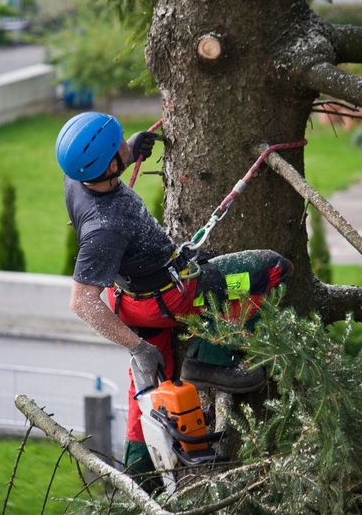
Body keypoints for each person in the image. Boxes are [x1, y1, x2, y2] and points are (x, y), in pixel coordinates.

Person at [55, 111, 294, 483]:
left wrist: (130, 152)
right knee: (269, 269)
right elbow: (81, 301)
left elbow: (102, 167)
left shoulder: (75, 178)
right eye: (118, 145)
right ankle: (211, 359)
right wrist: (136, 347)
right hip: (173, 299)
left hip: (132, 303)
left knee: (148, 391)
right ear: (106, 165)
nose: (123, 144)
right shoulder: (105, 227)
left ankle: (140, 475)